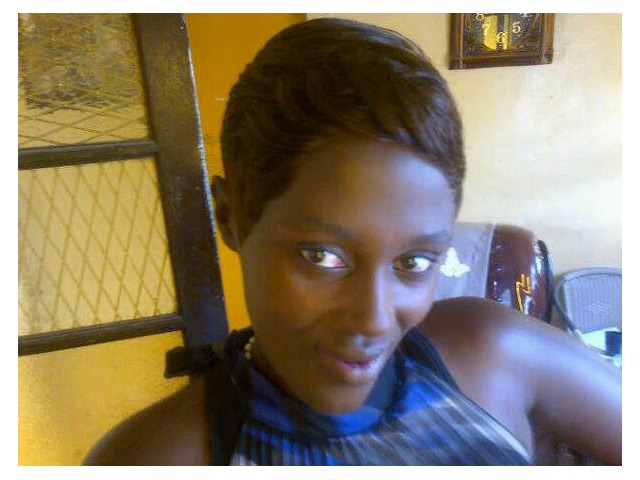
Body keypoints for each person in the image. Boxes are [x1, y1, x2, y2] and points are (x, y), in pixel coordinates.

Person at [84, 17, 621, 466]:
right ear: (230, 217)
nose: (374, 319)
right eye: (322, 256)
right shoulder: (156, 457)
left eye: (414, 262)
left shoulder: (494, 354)